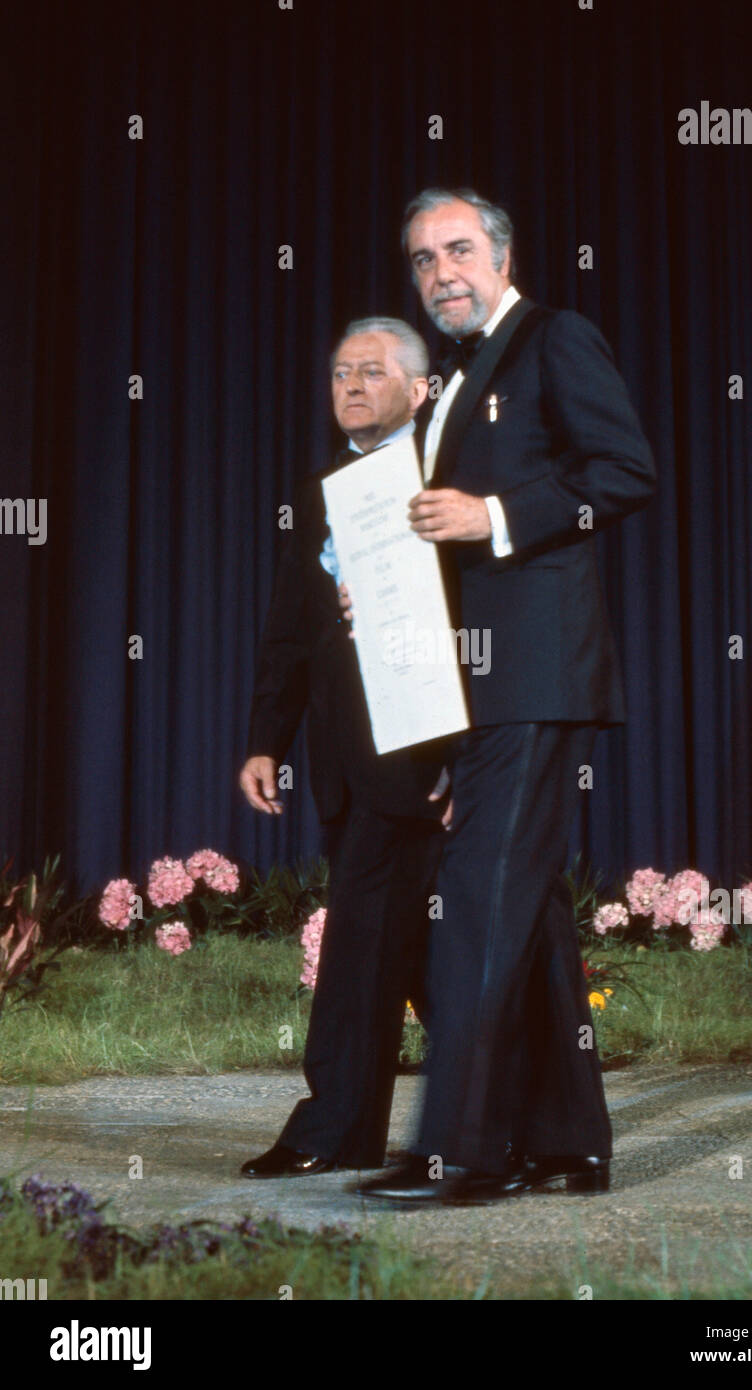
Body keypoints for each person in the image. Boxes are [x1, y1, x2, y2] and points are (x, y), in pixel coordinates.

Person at [356, 189, 657, 1204]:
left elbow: (622, 471)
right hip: (471, 682)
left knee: (477, 904)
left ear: (501, 253)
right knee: (521, 914)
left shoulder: (552, 338)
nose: (440, 271)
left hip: (533, 670)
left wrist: (491, 512)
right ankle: (566, 1141)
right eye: (420, 259)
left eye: (456, 250)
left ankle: (463, 1152)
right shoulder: (451, 379)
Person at [239, 317, 449, 1178]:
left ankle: (334, 1129)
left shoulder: (450, 481)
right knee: (408, 946)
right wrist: (265, 741)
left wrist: (463, 756)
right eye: (338, 374)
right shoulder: (323, 489)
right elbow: (291, 631)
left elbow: (485, 626)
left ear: (420, 388)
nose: (352, 386)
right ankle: (516, 1114)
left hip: (429, 759)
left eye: (371, 371)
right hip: (347, 763)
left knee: (378, 939)